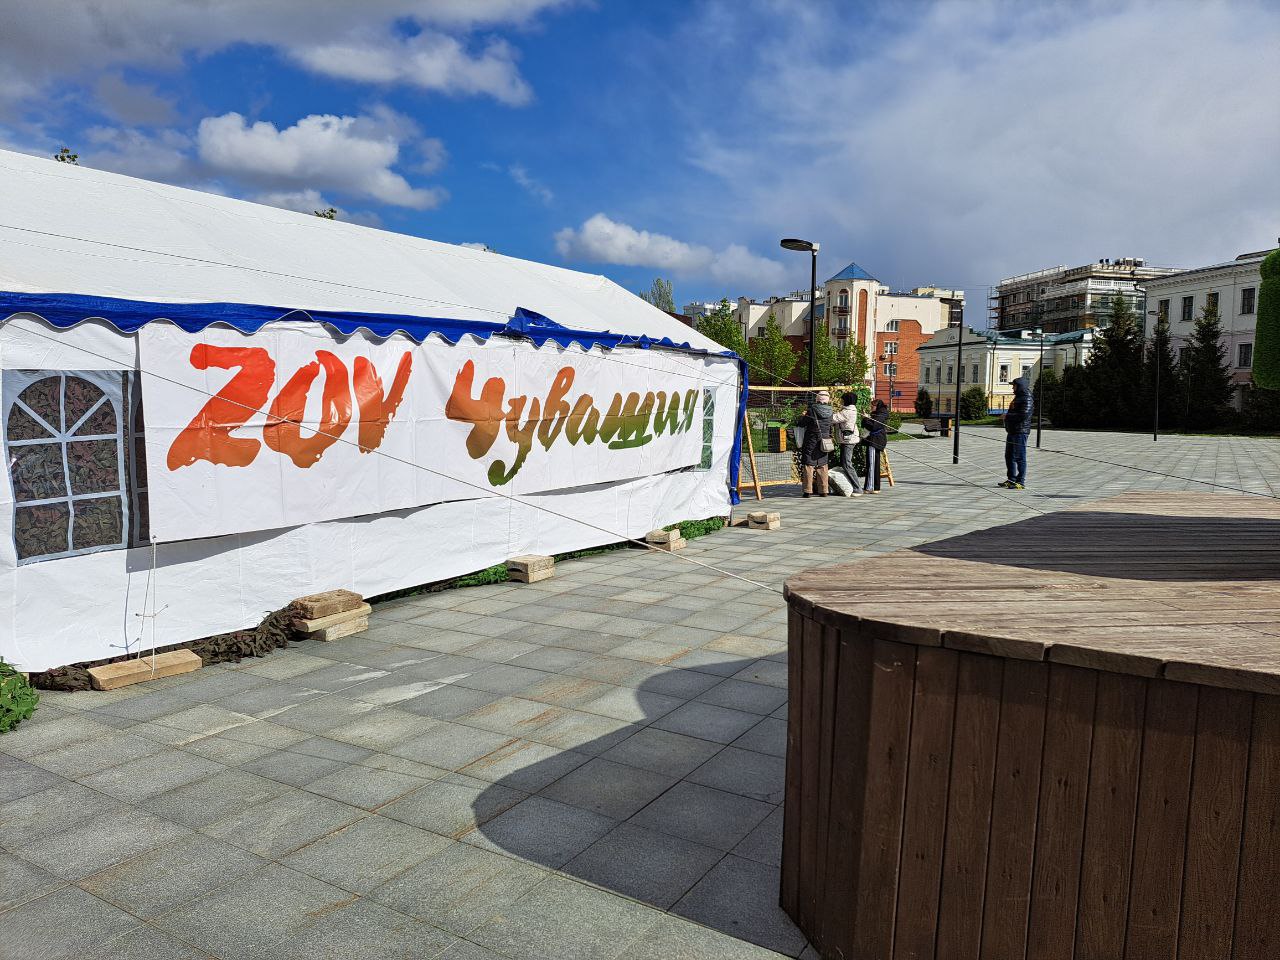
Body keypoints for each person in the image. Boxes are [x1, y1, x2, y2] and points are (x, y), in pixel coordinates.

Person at [798, 390, 834, 498]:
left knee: (809, 464)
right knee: (823, 464)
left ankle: (807, 491)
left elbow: (802, 423)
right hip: (825, 440)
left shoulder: (812, 410)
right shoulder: (831, 411)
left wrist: (803, 416)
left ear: (817, 399)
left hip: (811, 439)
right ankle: (824, 490)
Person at [1000, 376, 1032, 489]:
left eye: (1014, 386)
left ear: (1020, 386)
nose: (1012, 388)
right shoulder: (1018, 397)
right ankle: (1011, 480)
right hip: (1012, 430)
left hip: (1020, 431)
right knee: (1009, 456)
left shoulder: (1027, 398)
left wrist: (1007, 416)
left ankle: (1020, 481)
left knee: (1019, 456)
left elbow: (1024, 415)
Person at [831, 392, 863, 496]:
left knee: (847, 464)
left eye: (842, 400)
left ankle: (858, 488)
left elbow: (833, 418)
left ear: (846, 400)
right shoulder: (850, 409)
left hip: (848, 441)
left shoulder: (847, 412)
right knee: (845, 463)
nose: (841, 401)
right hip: (847, 440)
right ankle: (852, 486)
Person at [861, 398, 888, 493]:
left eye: (872, 406)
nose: (871, 407)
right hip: (874, 440)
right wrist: (866, 418)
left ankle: (871, 487)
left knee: (872, 464)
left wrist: (865, 418)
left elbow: (873, 426)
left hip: (875, 441)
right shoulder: (878, 414)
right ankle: (873, 486)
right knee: (872, 463)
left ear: (877, 406)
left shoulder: (881, 415)